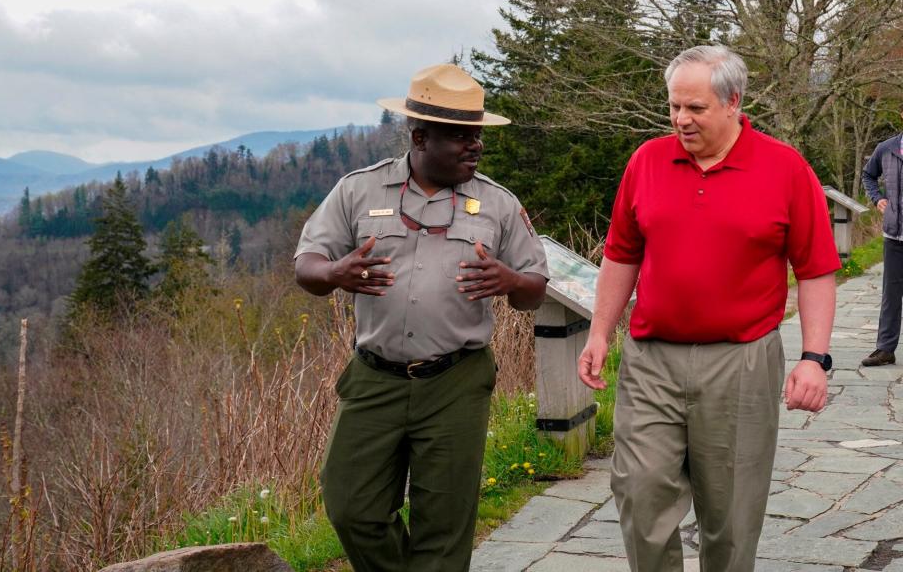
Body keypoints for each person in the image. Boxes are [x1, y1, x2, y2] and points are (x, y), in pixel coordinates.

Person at [577, 45, 840, 572]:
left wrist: (815, 357)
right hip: (652, 358)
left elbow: (815, 269)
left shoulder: (784, 168)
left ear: (732, 102)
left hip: (741, 361)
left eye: (694, 108)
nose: (681, 119)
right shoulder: (647, 161)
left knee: (732, 513)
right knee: (639, 490)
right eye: (674, 106)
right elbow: (621, 254)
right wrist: (599, 332)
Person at [294, 63, 548, 572]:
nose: (474, 146)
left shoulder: (498, 203)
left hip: (456, 380)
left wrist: (511, 282)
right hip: (374, 379)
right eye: (460, 137)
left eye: (477, 135)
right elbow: (307, 266)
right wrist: (337, 271)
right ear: (419, 136)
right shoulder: (358, 191)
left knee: (444, 524)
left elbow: (534, 289)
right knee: (352, 507)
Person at [860, 125, 903, 366]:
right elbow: (868, 174)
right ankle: (886, 349)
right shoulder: (886, 149)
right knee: (891, 295)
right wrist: (877, 198)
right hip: (895, 235)